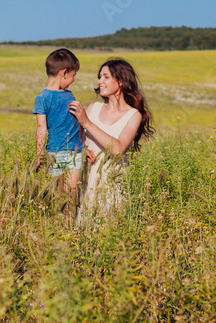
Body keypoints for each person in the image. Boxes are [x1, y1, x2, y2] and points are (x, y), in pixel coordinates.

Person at [68, 58, 153, 224]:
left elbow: (118, 148)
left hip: (113, 186)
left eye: (106, 77)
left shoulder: (133, 115)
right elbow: (79, 141)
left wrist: (86, 122)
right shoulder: (93, 108)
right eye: (100, 77)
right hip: (86, 184)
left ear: (120, 81)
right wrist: (84, 149)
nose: (100, 81)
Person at [33, 48, 83, 209]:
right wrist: (40, 156)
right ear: (64, 73)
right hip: (58, 153)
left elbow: (77, 122)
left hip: (74, 152)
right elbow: (41, 129)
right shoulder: (44, 98)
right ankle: (60, 227)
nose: (73, 80)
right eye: (73, 75)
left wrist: (85, 146)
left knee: (69, 197)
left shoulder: (67, 95)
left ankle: (67, 229)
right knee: (61, 197)